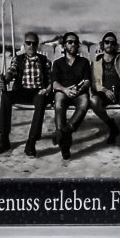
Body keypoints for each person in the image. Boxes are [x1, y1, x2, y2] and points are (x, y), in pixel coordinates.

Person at [0, 32, 52, 155]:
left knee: (41, 100)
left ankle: (31, 141)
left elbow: (50, 79)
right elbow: (11, 72)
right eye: (28, 43)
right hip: (22, 91)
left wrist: (47, 89)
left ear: (37, 45)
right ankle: (4, 139)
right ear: (24, 44)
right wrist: (5, 80)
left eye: (34, 43)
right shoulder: (18, 59)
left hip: (38, 91)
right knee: (6, 96)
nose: (31, 46)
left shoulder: (44, 60)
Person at [48, 32, 93, 161]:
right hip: (63, 91)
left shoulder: (84, 62)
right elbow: (55, 83)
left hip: (79, 92)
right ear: (64, 45)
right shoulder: (57, 63)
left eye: (75, 42)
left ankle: (63, 132)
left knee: (84, 103)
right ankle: (65, 146)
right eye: (70, 42)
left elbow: (87, 81)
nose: (73, 44)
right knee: (58, 104)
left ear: (78, 45)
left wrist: (80, 90)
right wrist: (65, 90)